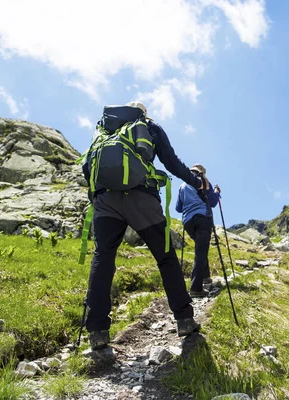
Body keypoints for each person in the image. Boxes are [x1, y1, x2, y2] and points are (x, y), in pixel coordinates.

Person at [82, 101, 207, 350]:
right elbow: (171, 162)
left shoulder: (105, 131)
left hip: (105, 200)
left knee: (103, 258)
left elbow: (87, 167)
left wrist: (100, 195)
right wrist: (196, 181)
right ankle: (184, 319)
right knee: (166, 257)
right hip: (141, 197)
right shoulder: (148, 126)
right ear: (143, 113)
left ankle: (97, 330)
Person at [176, 164, 220, 298]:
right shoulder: (204, 182)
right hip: (202, 218)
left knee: (201, 248)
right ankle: (195, 288)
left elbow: (178, 208)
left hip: (188, 222)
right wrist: (217, 192)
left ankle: (206, 277)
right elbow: (212, 202)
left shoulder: (182, 185)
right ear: (202, 173)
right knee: (201, 250)